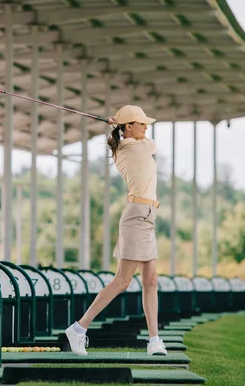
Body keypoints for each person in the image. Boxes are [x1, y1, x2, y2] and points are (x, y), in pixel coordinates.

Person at [65, 105, 167, 357]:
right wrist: (118, 127)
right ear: (129, 127)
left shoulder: (128, 144)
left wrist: (118, 127)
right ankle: (79, 328)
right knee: (122, 281)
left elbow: (148, 142)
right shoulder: (131, 148)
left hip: (147, 216)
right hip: (136, 217)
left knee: (151, 280)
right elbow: (151, 145)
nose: (146, 127)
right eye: (140, 123)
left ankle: (154, 340)